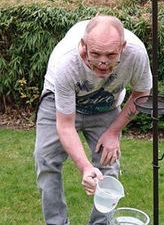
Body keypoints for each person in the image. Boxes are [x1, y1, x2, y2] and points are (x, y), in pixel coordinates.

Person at [34, 15, 152, 225]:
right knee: (46, 162)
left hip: (105, 103)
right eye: (96, 54)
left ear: (122, 47)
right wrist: (85, 167)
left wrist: (113, 132)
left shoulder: (136, 54)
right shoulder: (66, 63)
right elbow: (66, 125)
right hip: (58, 102)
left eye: (111, 54)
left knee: (109, 166)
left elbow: (141, 93)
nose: (103, 62)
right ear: (83, 45)